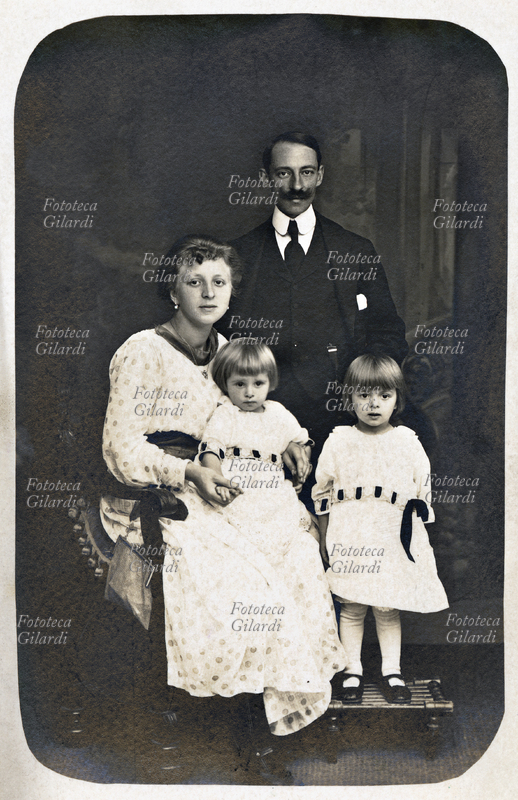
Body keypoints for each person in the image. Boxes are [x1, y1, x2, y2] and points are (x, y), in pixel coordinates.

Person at [100, 234, 345, 745]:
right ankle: (234, 730)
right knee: (246, 578)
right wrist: (187, 473)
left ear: (232, 291)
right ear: (174, 291)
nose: (208, 293)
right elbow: (121, 450)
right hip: (162, 495)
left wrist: (291, 448)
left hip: (231, 490)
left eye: (219, 281)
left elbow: (256, 422)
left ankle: (282, 710)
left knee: (299, 552)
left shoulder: (233, 355)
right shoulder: (144, 351)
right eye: (194, 282)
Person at [219, 131, 409, 469]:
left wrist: (364, 390)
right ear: (267, 178)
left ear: (320, 175)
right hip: (256, 417)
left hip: (338, 416)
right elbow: (218, 338)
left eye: (306, 172)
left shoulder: (355, 250)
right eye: (283, 173)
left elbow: (388, 330)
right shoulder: (238, 254)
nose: (296, 184)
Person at [312, 354, 448, 704]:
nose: (373, 404)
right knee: (353, 605)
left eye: (384, 396)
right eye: (364, 395)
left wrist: (416, 536)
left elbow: (422, 489)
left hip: (390, 534)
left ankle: (392, 671)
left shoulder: (406, 441)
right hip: (352, 534)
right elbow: (322, 492)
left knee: (387, 608)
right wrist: (326, 537)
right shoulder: (339, 441)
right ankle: (352, 670)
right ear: (350, 398)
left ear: (397, 400)